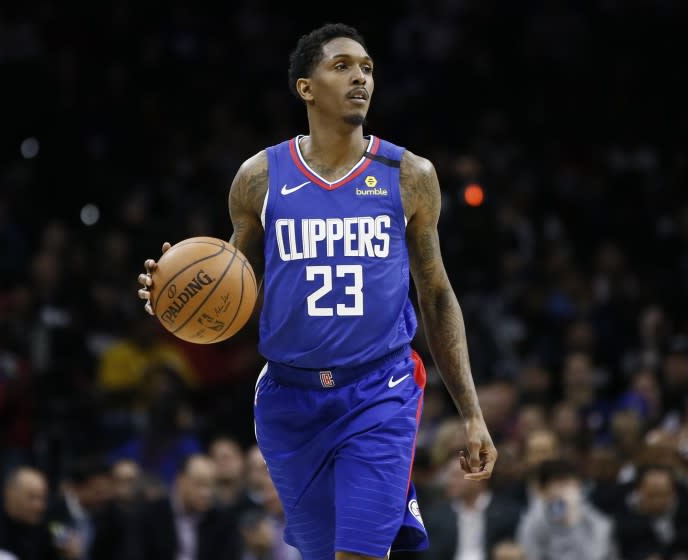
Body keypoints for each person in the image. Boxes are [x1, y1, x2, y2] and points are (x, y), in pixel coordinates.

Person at [137, 22, 497, 560]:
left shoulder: (409, 174)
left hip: (380, 390)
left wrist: (471, 410)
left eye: (368, 68)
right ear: (306, 87)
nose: (360, 78)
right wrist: (174, 290)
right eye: (342, 66)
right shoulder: (259, 177)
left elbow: (438, 296)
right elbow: (231, 288)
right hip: (290, 399)